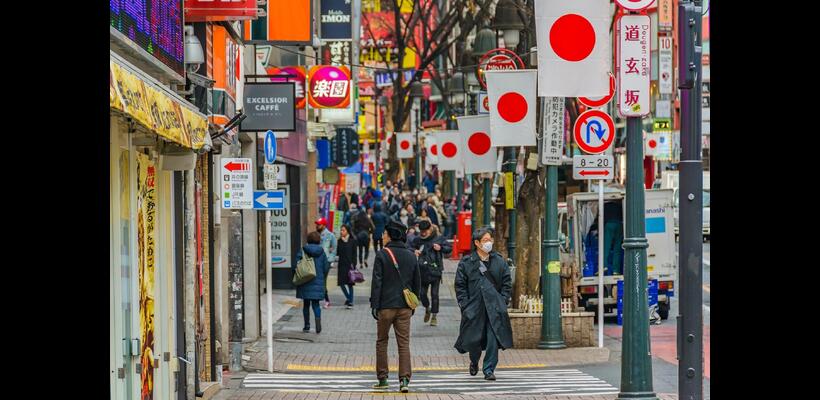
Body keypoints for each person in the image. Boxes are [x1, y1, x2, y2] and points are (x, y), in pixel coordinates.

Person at [454, 226, 513, 381]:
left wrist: (503, 299)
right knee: (474, 340)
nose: (489, 243)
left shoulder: (499, 261)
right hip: (474, 308)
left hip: (494, 307)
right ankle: (474, 361)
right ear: (477, 243)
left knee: (493, 338)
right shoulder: (467, 263)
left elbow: (507, 282)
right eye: (486, 240)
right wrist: (464, 304)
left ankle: (489, 369)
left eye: (490, 240)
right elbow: (460, 285)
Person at [370, 220, 421, 393]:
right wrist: (413, 305)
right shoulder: (411, 255)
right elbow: (417, 282)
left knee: (382, 341)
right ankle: (404, 380)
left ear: (390, 235)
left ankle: (383, 379)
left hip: (385, 306)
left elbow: (377, 282)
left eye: (385, 233)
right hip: (405, 307)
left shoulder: (382, 254)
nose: (383, 236)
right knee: (403, 343)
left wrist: (374, 305)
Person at [411, 220, 452, 326]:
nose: (423, 233)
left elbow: (449, 249)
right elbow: (408, 247)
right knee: (422, 294)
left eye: (425, 231)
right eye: (421, 231)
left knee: (435, 294)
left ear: (430, 229)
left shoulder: (438, 238)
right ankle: (427, 308)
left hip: (435, 271)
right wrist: (413, 251)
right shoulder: (417, 240)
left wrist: (441, 248)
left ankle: (434, 316)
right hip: (422, 271)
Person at [294, 231, 331, 334]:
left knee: (306, 304)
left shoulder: (303, 250)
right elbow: (326, 267)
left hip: (305, 280)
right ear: (318, 240)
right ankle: (318, 325)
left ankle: (307, 326)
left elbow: (295, 265)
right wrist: (321, 277)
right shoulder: (322, 252)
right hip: (317, 282)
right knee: (316, 304)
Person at [315, 218, 337, 308]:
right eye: (317, 224)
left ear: (324, 225)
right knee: (318, 280)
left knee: (322, 280)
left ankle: (327, 300)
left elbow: (334, 248)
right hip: (316, 260)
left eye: (319, 224)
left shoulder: (330, 235)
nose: (317, 226)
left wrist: (330, 260)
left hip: (325, 261)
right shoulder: (315, 234)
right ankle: (321, 299)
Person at [336, 225, 358, 309]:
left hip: (350, 265)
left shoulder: (353, 241)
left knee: (350, 284)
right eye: (341, 230)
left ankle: (350, 301)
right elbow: (337, 253)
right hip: (341, 265)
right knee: (341, 283)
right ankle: (349, 298)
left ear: (347, 231)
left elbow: (354, 254)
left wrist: (354, 264)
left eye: (343, 230)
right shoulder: (339, 241)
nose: (341, 232)